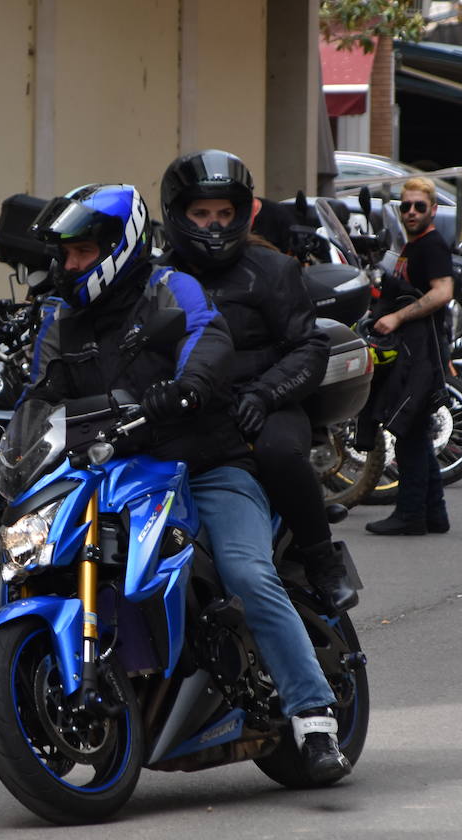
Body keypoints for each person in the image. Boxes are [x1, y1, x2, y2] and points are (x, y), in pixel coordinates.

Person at [26, 182, 352, 782]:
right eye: (64, 254)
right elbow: (37, 396)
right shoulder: (62, 319)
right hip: (112, 475)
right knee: (36, 557)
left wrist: (190, 384)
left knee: (247, 572)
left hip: (205, 467)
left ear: (117, 247)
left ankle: (314, 717)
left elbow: (208, 337)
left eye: (81, 252)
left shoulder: (172, 289)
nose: (68, 265)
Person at [157, 149, 356, 612]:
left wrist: (266, 394)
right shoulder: (159, 277)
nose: (214, 224)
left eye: (225, 213)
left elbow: (309, 347)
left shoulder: (272, 270)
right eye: (201, 213)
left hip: (265, 401)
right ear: (178, 214)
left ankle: (321, 561)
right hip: (190, 406)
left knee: (278, 452)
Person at [361, 177, 452, 536]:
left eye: (419, 206)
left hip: (420, 350)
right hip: (412, 347)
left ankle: (411, 515)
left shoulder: (431, 246)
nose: (411, 212)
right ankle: (433, 513)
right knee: (416, 431)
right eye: (406, 206)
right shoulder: (411, 246)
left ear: (432, 209)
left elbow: (443, 292)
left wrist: (397, 316)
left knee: (410, 429)